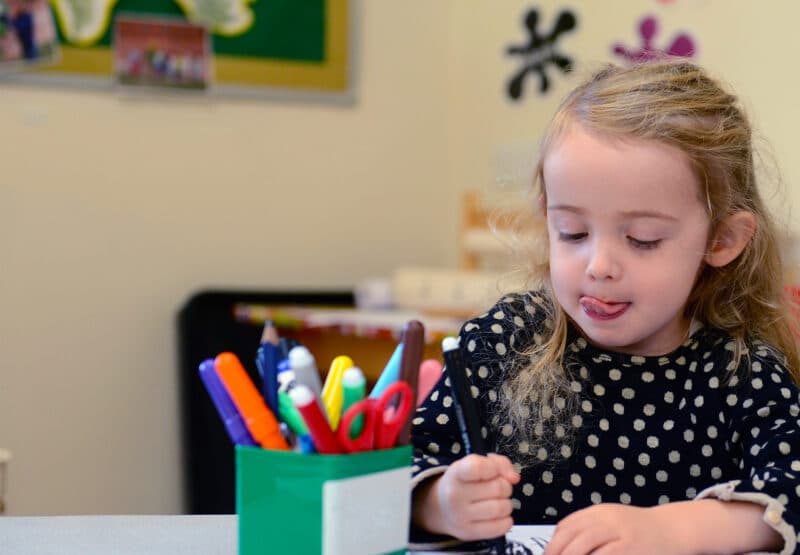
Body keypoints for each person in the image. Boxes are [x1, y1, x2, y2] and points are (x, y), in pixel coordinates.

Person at [410, 60, 800, 555]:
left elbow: (792, 488)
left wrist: (673, 531)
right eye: (571, 232)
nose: (599, 266)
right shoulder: (505, 341)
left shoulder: (741, 372)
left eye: (643, 239)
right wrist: (440, 501)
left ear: (721, 240)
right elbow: (402, 466)